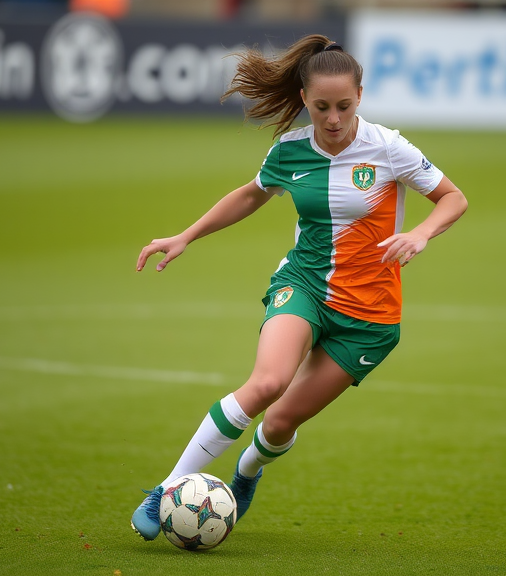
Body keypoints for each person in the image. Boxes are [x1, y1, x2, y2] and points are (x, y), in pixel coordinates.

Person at [130, 34, 468, 541]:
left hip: (370, 319)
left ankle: (246, 473)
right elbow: (250, 195)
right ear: (305, 99)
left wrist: (420, 233)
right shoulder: (290, 150)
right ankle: (167, 488)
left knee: (280, 422)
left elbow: (452, 198)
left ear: (361, 96)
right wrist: (186, 235)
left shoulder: (389, 148)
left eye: (345, 106)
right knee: (266, 384)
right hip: (303, 285)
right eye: (321, 107)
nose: (333, 119)